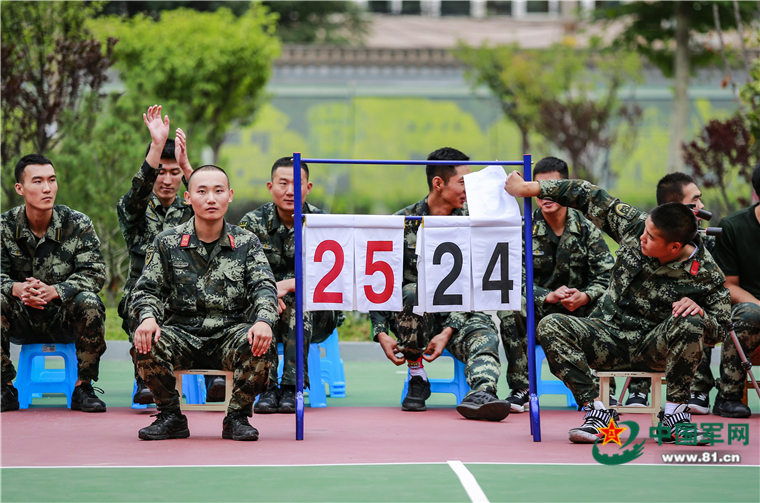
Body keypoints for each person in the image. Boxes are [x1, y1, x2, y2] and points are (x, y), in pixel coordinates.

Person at [504, 172, 730, 444]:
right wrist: (531, 188)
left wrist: (702, 312)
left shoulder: (706, 273)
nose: (642, 238)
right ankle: (597, 412)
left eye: (651, 237)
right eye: (644, 231)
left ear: (674, 246)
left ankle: (674, 416)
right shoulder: (635, 225)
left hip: (654, 346)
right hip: (607, 337)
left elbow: (720, 329)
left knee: (692, 321)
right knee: (551, 324)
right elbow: (586, 194)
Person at [130, 165, 278, 441]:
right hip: (181, 334)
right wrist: (148, 317)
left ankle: (237, 418)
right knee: (145, 342)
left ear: (230, 196)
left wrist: (263, 320)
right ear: (188, 198)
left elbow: (264, 288)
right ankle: (171, 416)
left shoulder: (246, 242)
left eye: (218, 191)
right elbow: (146, 290)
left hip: (230, 335)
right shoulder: (167, 242)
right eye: (202, 191)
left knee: (261, 343)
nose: (211, 198)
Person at [370, 147, 510, 421]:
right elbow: (380, 283)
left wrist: (448, 331)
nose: (468, 189)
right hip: (420, 319)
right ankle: (417, 377)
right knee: (410, 292)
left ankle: (483, 394)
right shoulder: (403, 222)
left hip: (463, 314)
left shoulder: (476, 222)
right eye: (462, 182)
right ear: (438, 183)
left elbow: (475, 285)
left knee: (484, 332)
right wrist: (380, 332)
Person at [497, 157, 615, 413]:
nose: (546, 195)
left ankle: (603, 391)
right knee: (510, 305)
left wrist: (585, 296)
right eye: (540, 188)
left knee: (608, 304)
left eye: (553, 187)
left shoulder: (587, 229)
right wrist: (547, 296)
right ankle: (522, 388)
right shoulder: (523, 229)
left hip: (580, 311)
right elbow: (512, 278)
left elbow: (606, 277)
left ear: (566, 189)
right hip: (540, 309)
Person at [1, 154, 107, 413]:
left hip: (64, 318)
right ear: (20, 188)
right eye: (37, 181)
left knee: (90, 302)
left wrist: (55, 291)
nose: (47, 188)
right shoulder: (4, 226)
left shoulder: (77, 223)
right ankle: (5, 386)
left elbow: (95, 272)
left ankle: (83, 387)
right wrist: (16, 289)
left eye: (52, 180)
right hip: (20, 317)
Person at [239, 157, 342, 414]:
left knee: (298, 301)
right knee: (268, 305)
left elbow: (334, 276)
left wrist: (290, 284)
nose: (290, 191)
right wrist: (271, 292)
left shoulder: (322, 223)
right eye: (282, 183)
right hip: (264, 310)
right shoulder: (251, 223)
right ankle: (268, 386)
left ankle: (291, 386)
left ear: (309, 188)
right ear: (270, 186)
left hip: (315, 315)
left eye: (297, 184)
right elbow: (239, 273)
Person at [117, 105, 197, 406]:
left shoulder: (193, 209)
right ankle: (147, 378)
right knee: (142, 309)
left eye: (174, 173)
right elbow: (138, 193)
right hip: (143, 297)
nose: (166, 179)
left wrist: (188, 166)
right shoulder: (134, 212)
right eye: (161, 172)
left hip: (188, 297)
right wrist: (156, 145)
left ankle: (216, 377)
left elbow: (209, 197)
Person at [624, 173, 717, 412]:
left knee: (695, 316)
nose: (702, 206)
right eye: (695, 200)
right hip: (646, 331)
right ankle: (638, 390)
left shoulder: (704, 247)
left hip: (687, 319)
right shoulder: (643, 237)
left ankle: (696, 392)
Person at [711, 164, 760, 418]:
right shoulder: (733, 227)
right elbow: (728, 285)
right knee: (750, 313)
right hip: (749, 309)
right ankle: (728, 396)